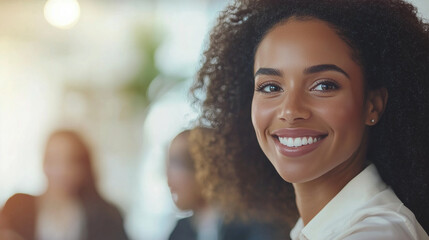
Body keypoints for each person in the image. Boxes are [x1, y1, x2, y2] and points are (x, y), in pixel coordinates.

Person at [191, 0, 429, 239]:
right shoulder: (314, 228)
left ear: (372, 105)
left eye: (324, 85)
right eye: (271, 86)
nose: (290, 110)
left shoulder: (376, 234)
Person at [0, 130, 129, 240]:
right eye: (52, 160)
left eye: (70, 161)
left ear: (83, 168)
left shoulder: (106, 216)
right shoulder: (17, 208)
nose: (61, 171)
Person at [167, 130, 285, 240]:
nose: (169, 180)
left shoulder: (252, 225)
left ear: (205, 168)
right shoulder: (180, 230)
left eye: (177, 163)